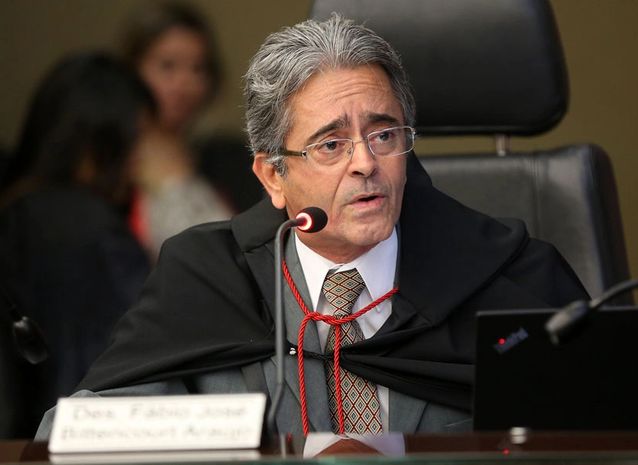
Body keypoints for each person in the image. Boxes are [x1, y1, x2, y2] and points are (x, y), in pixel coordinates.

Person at [36, 15, 587, 443]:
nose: (365, 163)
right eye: (331, 145)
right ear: (273, 176)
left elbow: (605, 434)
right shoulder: (209, 282)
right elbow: (73, 434)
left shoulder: (509, 281)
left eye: (384, 135)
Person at [0, 52, 154, 437]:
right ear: (97, 145)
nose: (140, 163)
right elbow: (143, 352)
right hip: (77, 436)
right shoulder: (88, 228)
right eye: (137, 142)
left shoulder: (16, 211)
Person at [119, 1, 234, 260]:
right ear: (132, 70)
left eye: (198, 68)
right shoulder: (111, 160)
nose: (185, 83)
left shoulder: (226, 159)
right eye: (168, 66)